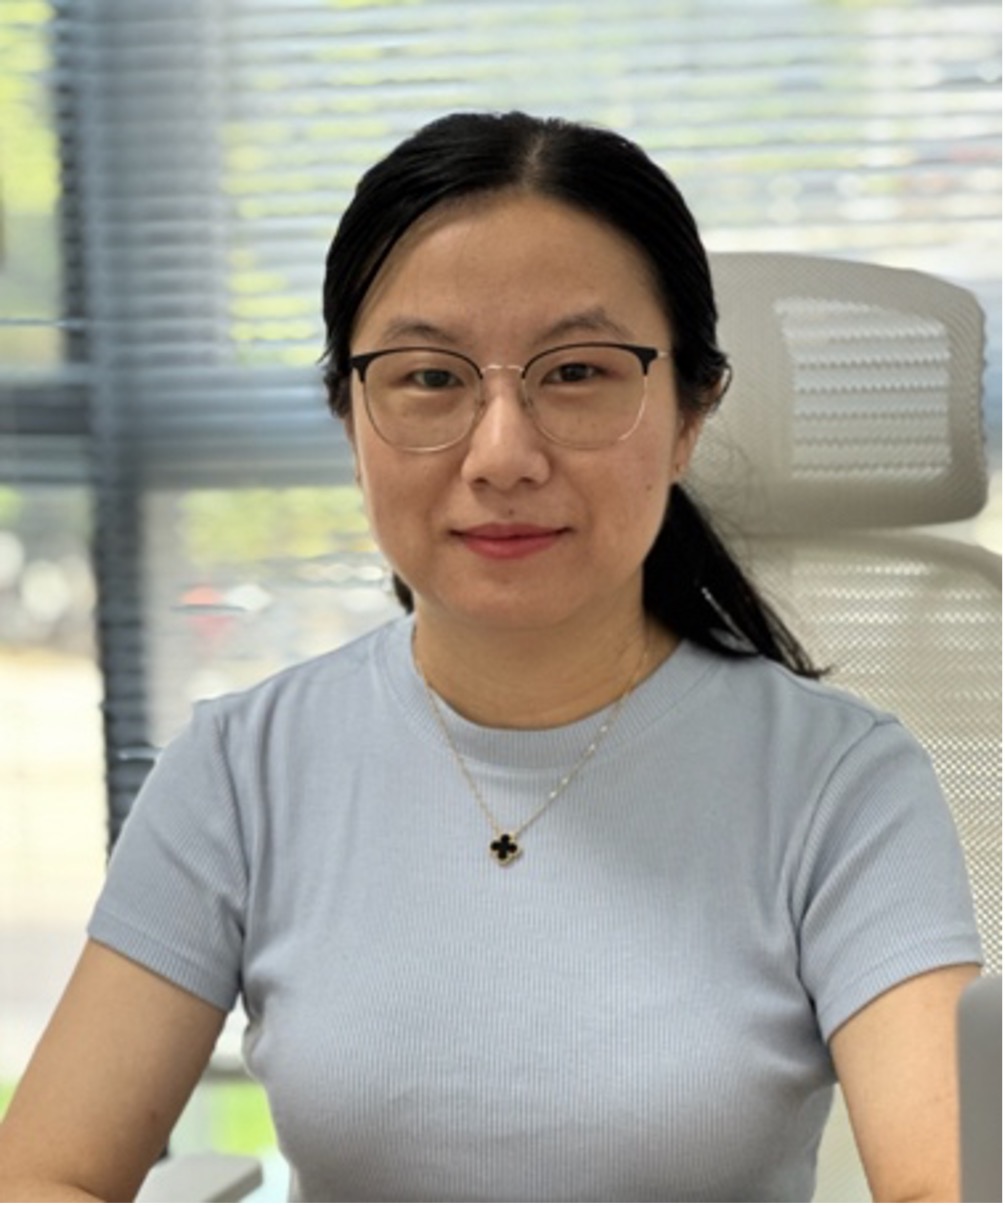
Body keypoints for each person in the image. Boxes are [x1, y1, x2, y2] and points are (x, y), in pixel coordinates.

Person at [0, 111, 983, 1203]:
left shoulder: (839, 783)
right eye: (430, 377)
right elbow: (46, 1177)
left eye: (577, 372)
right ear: (349, 417)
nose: (502, 454)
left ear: (691, 412)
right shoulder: (241, 771)